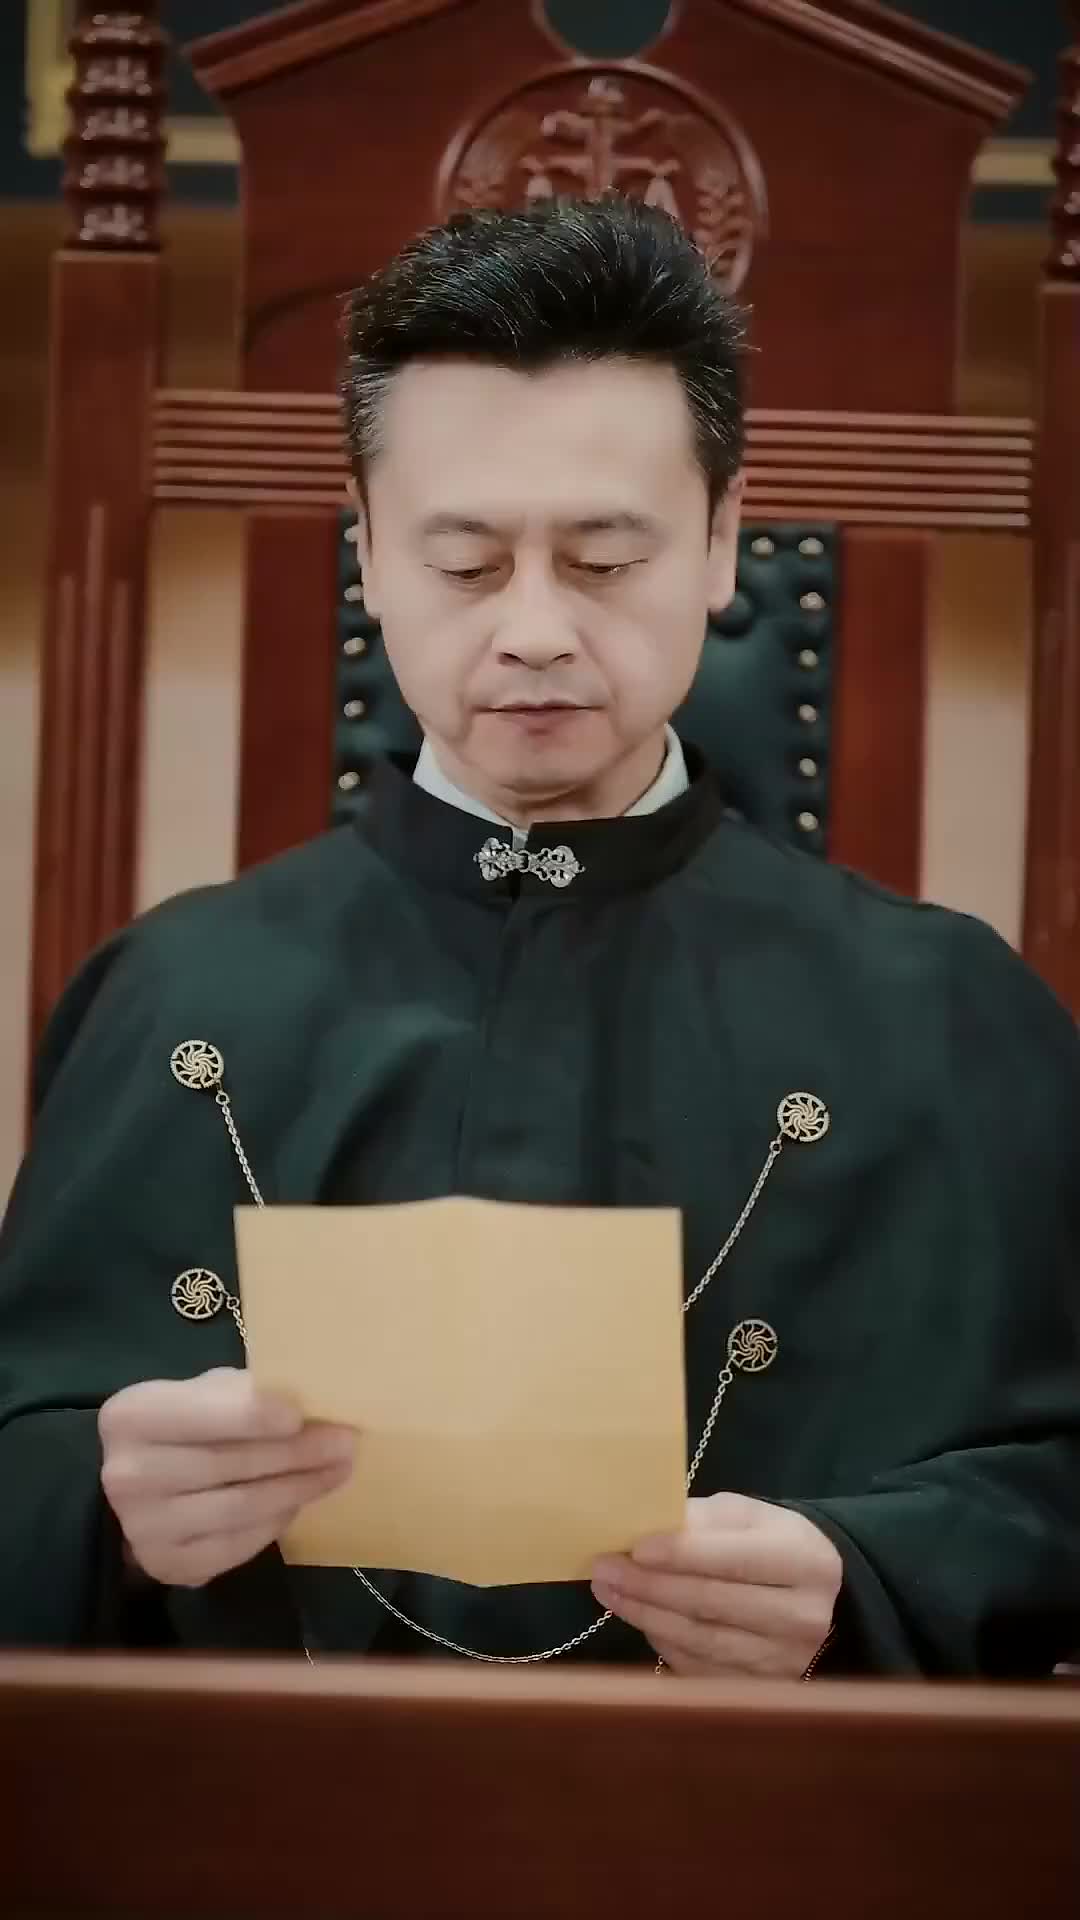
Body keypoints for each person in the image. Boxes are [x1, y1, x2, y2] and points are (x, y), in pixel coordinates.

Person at [1, 196, 1078, 1677]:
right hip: (263, 1807)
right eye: (463, 562)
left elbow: (1053, 1496)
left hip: (776, 1810)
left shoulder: (947, 1010)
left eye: (606, 559)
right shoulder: (167, 994)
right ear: (368, 553)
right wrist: (106, 1505)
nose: (534, 631)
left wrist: (870, 1579)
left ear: (722, 542)